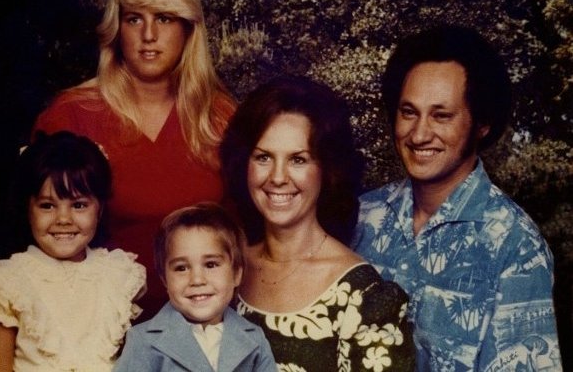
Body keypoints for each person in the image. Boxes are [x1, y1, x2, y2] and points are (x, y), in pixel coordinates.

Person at [32, 0, 236, 319]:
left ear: (188, 28)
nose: (149, 35)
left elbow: (247, 238)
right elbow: (35, 235)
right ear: (116, 29)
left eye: (164, 18)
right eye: (134, 19)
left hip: (205, 324)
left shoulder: (220, 118)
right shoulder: (72, 115)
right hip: (94, 325)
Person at [352, 25, 563, 370]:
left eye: (442, 116)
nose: (419, 134)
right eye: (409, 112)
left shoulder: (516, 246)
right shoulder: (362, 215)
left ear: (482, 124)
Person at [220, 76, 415, 371]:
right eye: (263, 157)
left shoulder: (363, 297)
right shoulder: (224, 270)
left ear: (328, 170)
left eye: (298, 160)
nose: (277, 177)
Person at [0, 131, 146, 372]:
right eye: (47, 206)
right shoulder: (6, 281)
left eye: (78, 205)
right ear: (28, 209)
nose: (63, 219)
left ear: (99, 210)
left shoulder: (118, 274)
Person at [113, 202, 276, 372]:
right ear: (165, 280)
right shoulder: (143, 340)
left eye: (211, 265)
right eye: (181, 268)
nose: (197, 280)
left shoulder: (254, 338)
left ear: (236, 274)